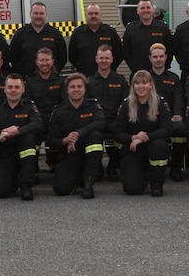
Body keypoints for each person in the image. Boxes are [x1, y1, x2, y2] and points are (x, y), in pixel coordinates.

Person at [113, 70, 172, 196]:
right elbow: (118, 132)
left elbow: (167, 129)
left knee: (160, 145)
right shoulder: (126, 105)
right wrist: (133, 137)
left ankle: (156, 184)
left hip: (154, 146)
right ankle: (142, 177)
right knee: (132, 189)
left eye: (144, 83)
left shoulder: (160, 103)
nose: (141, 87)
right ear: (133, 86)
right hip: (133, 150)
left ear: (151, 85)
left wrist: (145, 137)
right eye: (137, 83)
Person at [0, 74, 43, 200]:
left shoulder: (29, 106)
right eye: (10, 87)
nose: (13, 90)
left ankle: (26, 186)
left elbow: (38, 124)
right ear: (4, 89)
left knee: (29, 138)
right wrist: (1, 133)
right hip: (4, 153)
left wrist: (18, 131)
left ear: (23, 89)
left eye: (17, 87)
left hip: (23, 151)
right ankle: (14, 180)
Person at [46, 73, 105, 199]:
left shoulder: (93, 106)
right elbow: (51, 141)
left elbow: (100, 123)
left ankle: (88, 183)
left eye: (79, 86)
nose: (76, 89)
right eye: (72, 87)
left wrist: (78, 134)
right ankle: (78, 178)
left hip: (89, 155)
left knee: (96, 135)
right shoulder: (58, 111)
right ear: (67, 90)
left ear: (85, 89)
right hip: (70, 154)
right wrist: (65, 140)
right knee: (61, 189)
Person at [87, 44, 129, 181]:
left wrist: (119, 120)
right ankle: (97, 167)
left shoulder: (121, 81)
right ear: (96, 59)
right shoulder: (89, 82)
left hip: (115, 120)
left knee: (122, 136)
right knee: (94, 138)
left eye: (107, 58)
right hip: (96, 122)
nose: (104, 61)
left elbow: (125, 104)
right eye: (101, 58)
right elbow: (87, 105)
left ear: (112, 60)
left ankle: (113, 166)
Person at [148, 42, 187, 181]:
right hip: (149, 119)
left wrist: (177, 115)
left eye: (160, 56)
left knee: (181, 129)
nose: (158, 59)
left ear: (166, 57)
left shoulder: (173, 78)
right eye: (155, 57)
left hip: (169, 120)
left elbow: (178, 100)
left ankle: (175, 168)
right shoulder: (145, 79)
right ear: (150, 59)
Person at [25, 47, 66, 169]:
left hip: (55, 122)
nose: (44, 63)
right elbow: (27, 105)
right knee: (30, 140)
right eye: (41, 60)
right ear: (36, 62)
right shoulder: (30, 82)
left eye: (47, 60)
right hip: (36, 122)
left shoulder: (60, 81)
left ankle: (55, 164)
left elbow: (64, 103)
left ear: (52, 61)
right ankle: (32, 168)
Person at [9, 2, 67, 77]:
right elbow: (13, 58)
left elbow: (63, 58)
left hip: (51, 80)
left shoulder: (56, 34)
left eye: (41, 13)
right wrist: (22, 74)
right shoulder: (20, 34)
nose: (38, 16)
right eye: (35, 13)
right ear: (30, 14)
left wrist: (53, 73)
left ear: (46, 15)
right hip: (27, 80)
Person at [123, 0, 173, 77]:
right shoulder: (130, 29)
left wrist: (163, 68)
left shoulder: (163, 28)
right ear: (137, 11)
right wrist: (134, 67)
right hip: (138, 74)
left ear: (153, 10)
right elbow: (126, 52)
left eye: (148, 8)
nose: (145, 10)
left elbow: (170, 50)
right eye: (142, 8)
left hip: (159, 74)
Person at [68, 4, 123, 76]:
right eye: (90, 13)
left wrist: (110, 68)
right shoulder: (77, 33)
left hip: (107, 77)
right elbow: (72, 56)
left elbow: (119, 54)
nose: (93, 16)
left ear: (101, 15)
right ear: (86, 15)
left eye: (96, 13)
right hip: (85, 77)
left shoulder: (111, 32)